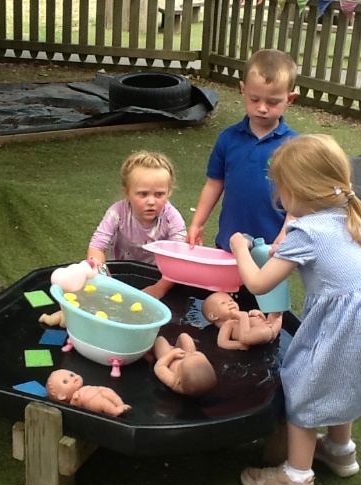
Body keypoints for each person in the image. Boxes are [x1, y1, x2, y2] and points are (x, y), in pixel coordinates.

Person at [229, 134, 361, 485]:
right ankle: (340, 450)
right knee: (345, 378)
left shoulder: (306, 231)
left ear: (297, 190)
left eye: (281, 188)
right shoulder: (352, 216)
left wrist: (238, 247)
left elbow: (259, 283)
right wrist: (285, 250)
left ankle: (296, 481)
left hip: (345, 323)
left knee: (304, 386)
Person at [186, 49, 299, 253]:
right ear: (243, 90)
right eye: (255, 99)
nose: (262, 108)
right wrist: (197, 223)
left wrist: (286, 233)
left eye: (273, 102)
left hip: (273, 247)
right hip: (230, 242)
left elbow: (300, 197)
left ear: (289, 99)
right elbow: (214, 184)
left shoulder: (294, 146)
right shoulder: (228, 138)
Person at [88, 150, 187, 299]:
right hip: (120, 274)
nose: (151, 201)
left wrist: (159, 289)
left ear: (169, 192)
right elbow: (97, 246)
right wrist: (104, 279)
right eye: (143, 194)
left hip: (159, 277)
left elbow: (179, 258)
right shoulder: (118, 212)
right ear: (127, 193)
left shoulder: (172, 218)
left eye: (159, 194)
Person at [201, 292, 282, 350]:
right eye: (223, 303)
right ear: (214, 316)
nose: (230, 303)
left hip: (268, 329)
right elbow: (222, 342)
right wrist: (238, 345)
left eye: (231, 300)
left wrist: (260, 315)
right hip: (256, 334)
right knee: (245, 338)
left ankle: (278, 308)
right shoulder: (228, 324)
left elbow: (258, 322)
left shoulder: (241, 316)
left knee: (275, 316)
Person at [46, 369, 131, 417]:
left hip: (98, 390)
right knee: (102, 403)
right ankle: (114, 411)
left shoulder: (82, 387)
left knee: (109, 392)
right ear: (61, 396)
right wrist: (75, 399)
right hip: (92, 401)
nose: (73, 378)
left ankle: (121, 405)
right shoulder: (73, 400)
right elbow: (74, 407)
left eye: (71, 375)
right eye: (65, 381)